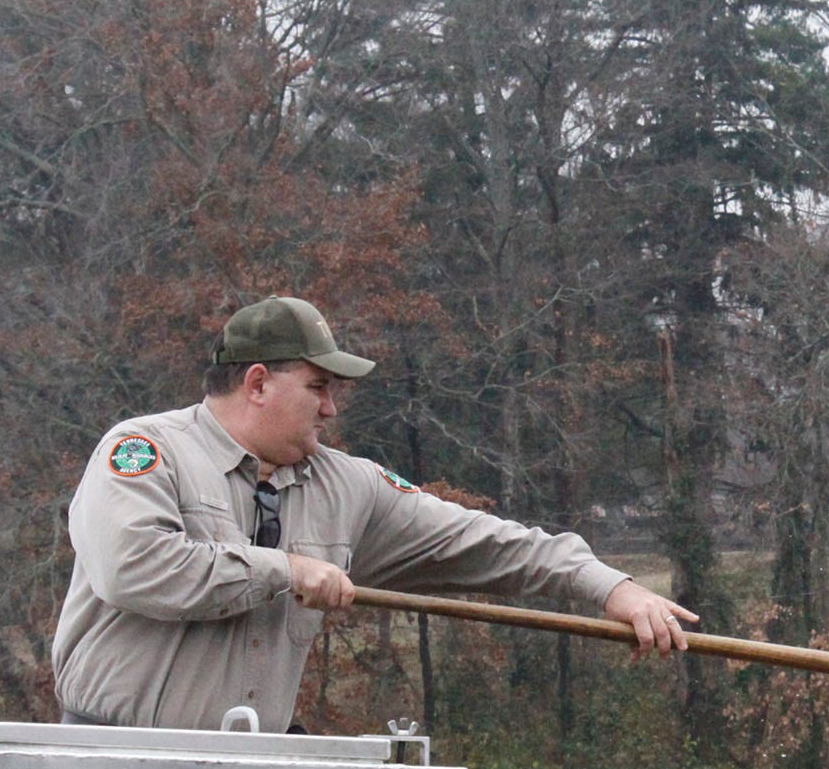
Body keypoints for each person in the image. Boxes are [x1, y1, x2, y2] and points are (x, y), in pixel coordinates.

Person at [52, 295, 698, 730]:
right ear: (256, 384)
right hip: (108, 765)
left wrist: (608, 586)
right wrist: (286, 570)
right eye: (318, 387)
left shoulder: (347, 485)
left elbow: (484, 544)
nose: (331, 409)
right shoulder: (144, 450)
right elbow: (131, 568)